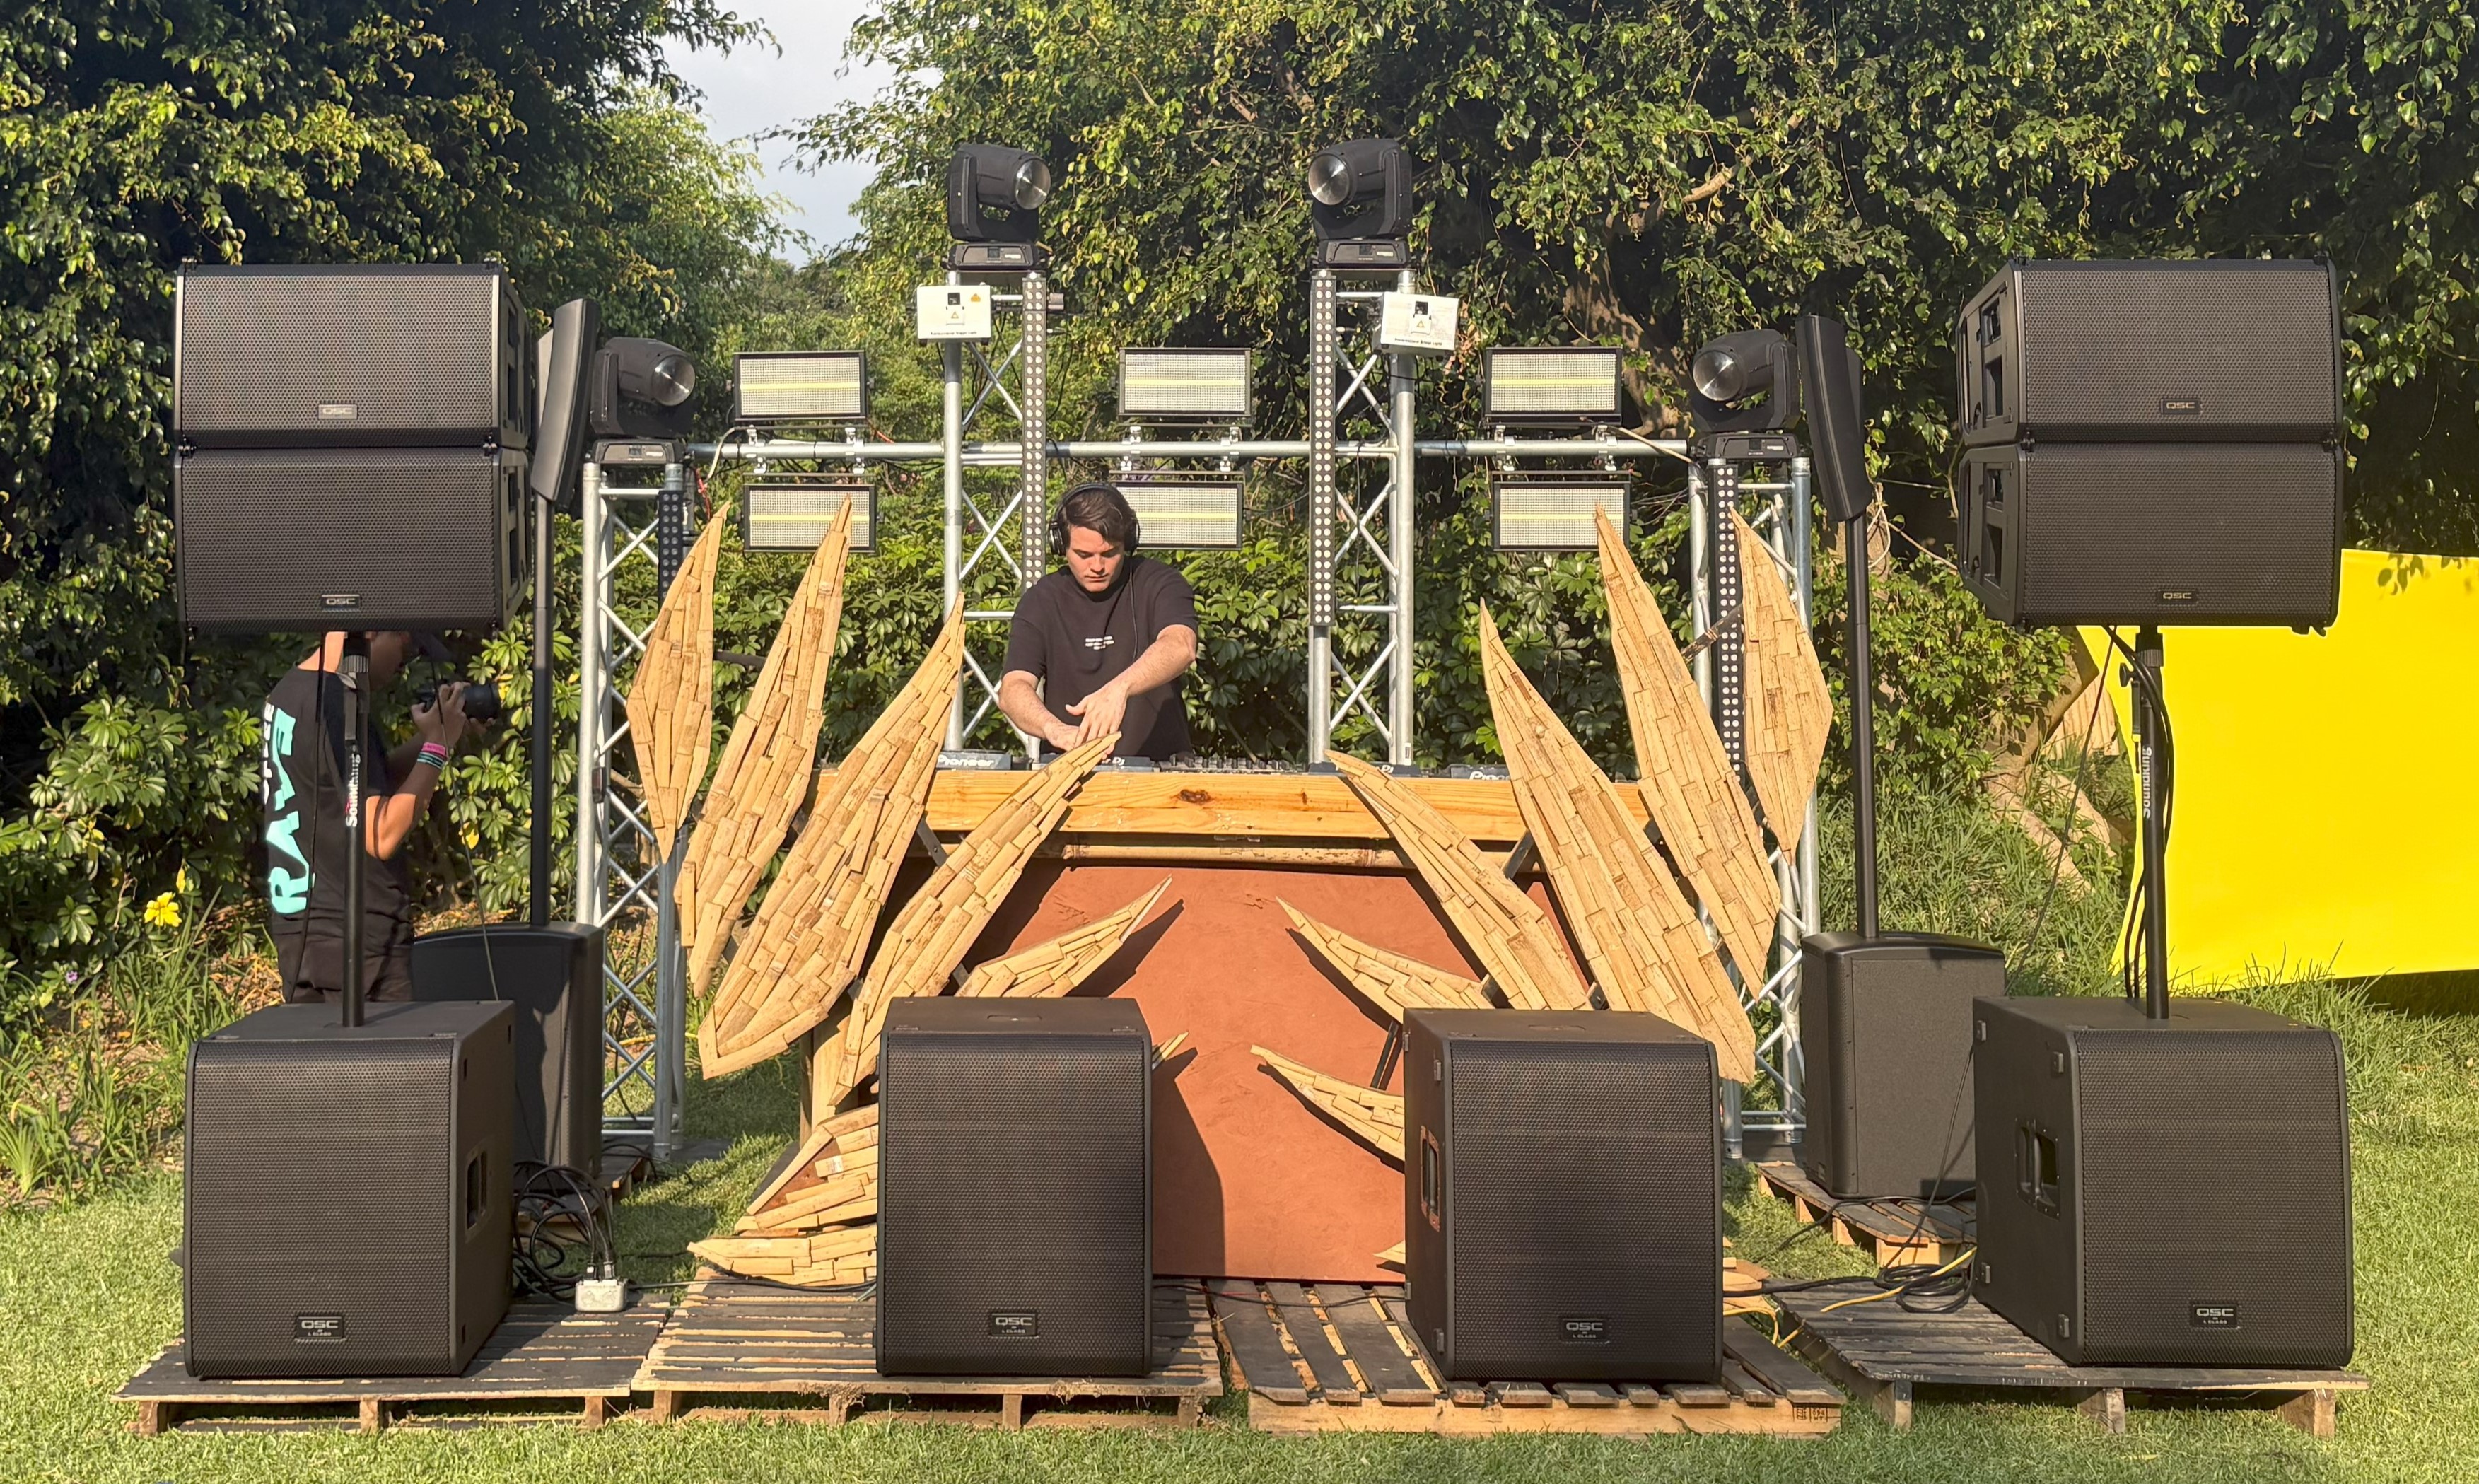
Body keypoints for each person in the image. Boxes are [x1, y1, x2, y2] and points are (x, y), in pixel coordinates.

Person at [261, 630, 474, 1003]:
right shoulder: (338, 706)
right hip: (362, 947)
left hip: (304, 937)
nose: (402, 665)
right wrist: (438, 749)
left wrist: (440, 737)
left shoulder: (288, 693)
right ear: (371, 631)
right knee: (386, 1063)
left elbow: (352, 793)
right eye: (405, 647)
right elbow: (380, 833)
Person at [999, 481, 1199, 762]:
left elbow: (1181, 646)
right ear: (1061, 546)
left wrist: (1119, 690)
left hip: (1161, 771)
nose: (1097, 567)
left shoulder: (1160, 583)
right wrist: (1054, 730)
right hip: (1067, 772)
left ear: (1127, 544)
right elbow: (1013, 689)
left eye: (1109, 553)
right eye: (1083, 555)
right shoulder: (1041, 600)